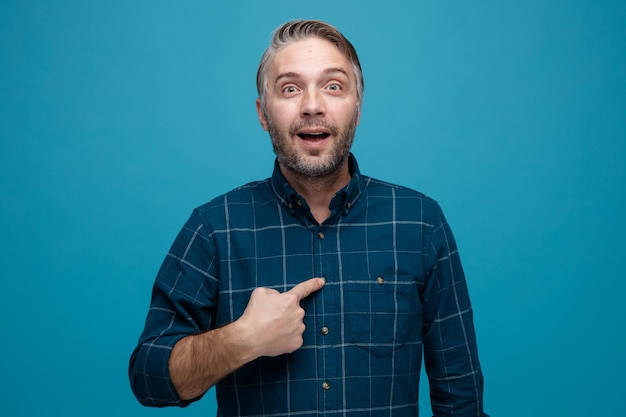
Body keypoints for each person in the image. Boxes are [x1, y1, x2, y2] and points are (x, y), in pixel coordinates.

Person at [129, 19, 488, 417]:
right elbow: (149, 378)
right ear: (263, 114)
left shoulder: (420, 223)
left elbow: (460, 397)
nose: (313, 105)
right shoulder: (215, 228)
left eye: (333, 86)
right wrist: (242, 339)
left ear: (357, 107)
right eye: (290, 88)